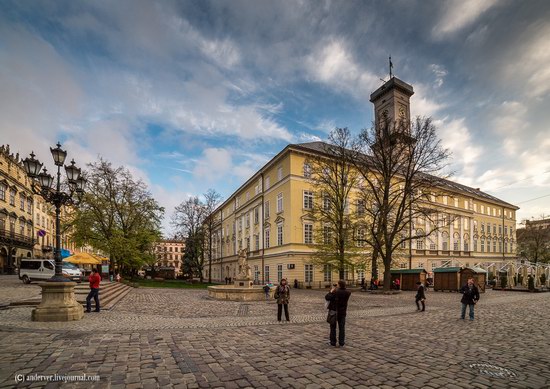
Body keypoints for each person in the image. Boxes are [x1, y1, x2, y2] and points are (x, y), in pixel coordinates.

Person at [325, 280, 352, 347]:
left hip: (334, 311)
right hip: (342, 312)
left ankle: (333, 342)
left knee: (333, 327)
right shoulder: (348, 292)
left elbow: (327, 297)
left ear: (339, 285)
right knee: (342, 328)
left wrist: (331, 290)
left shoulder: (335, 292)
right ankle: (341, 342)